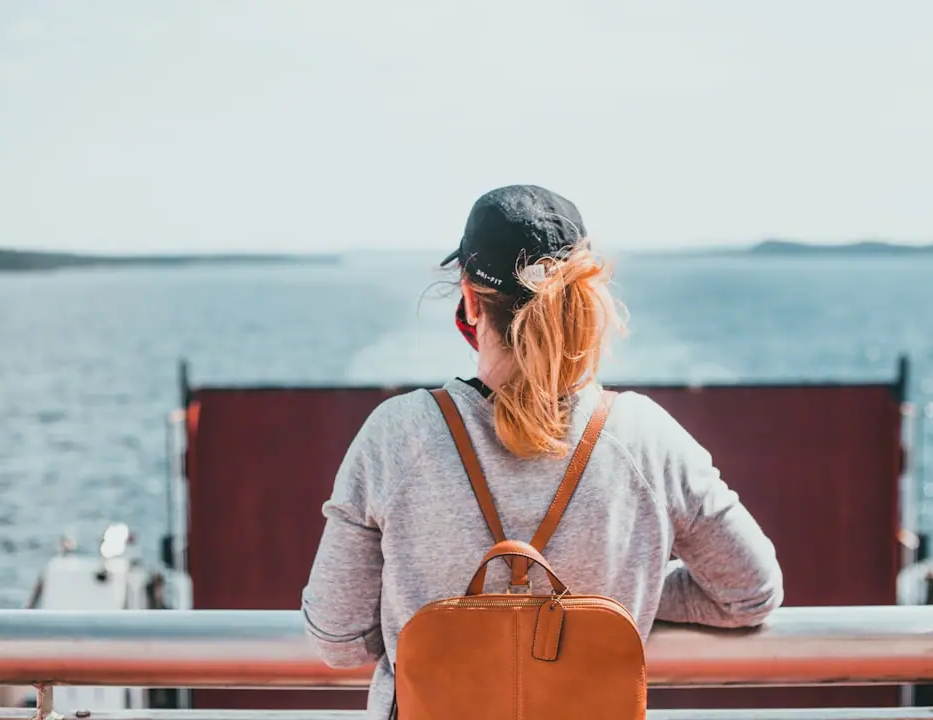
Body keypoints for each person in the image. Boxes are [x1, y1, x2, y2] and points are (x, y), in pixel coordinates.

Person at [301, 184, 784, 718]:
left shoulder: (397, 435)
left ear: (468, 296)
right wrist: (626, 598)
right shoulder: (646, 437)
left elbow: (336, 635)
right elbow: (749, 594)